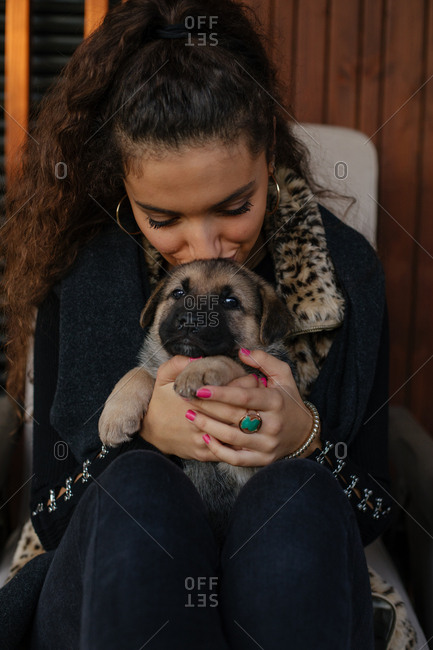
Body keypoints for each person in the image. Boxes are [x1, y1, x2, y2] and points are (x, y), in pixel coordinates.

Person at [1, 0, 394, 648]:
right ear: (122, 182)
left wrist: (303, 439)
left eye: (233, 206)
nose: (206, 244)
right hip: (116, 579)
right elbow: (51, 517)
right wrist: (141, 436)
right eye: (164, 219)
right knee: (138, 489)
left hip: (282, 581)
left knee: (294, 497)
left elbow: (375, 510)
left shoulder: (348, 272)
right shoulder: (83, 273)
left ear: (268, 148)